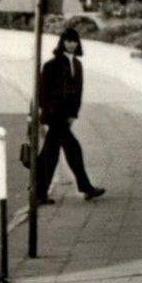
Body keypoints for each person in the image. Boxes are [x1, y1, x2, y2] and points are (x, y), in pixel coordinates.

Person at [36, 27, 106, 204]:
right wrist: (46, 113)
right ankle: (86, 188)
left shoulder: (78, 64)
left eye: (74, 41)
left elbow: (78, 92)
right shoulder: (51, 65)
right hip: (54, 115)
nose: (72, 44)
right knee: (73, 149)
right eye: (68, 40)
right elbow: (42, 92)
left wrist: (74, 114)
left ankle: (39, 191)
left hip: (66, 115)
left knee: (50, 153)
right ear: (62, 42)